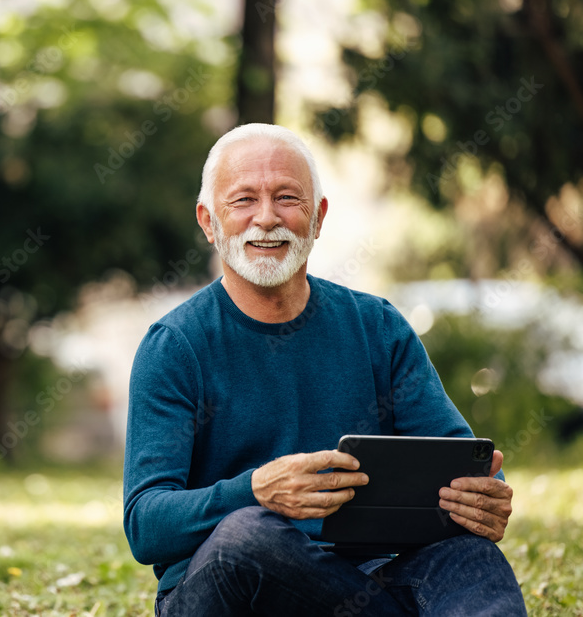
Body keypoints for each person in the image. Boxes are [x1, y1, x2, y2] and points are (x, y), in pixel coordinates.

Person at [122, 123, 526, 616]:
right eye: (243, 200)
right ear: (209, 221)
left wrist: (484, 499)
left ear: (318, 217)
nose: (266, 218)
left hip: (361, 587)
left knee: (469, 557)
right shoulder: (175, 346)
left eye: (287, 198)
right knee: (249, 536)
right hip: (228, 590)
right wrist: (254, 492)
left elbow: (452, 462)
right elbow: (146, 525)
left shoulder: (377, 326)